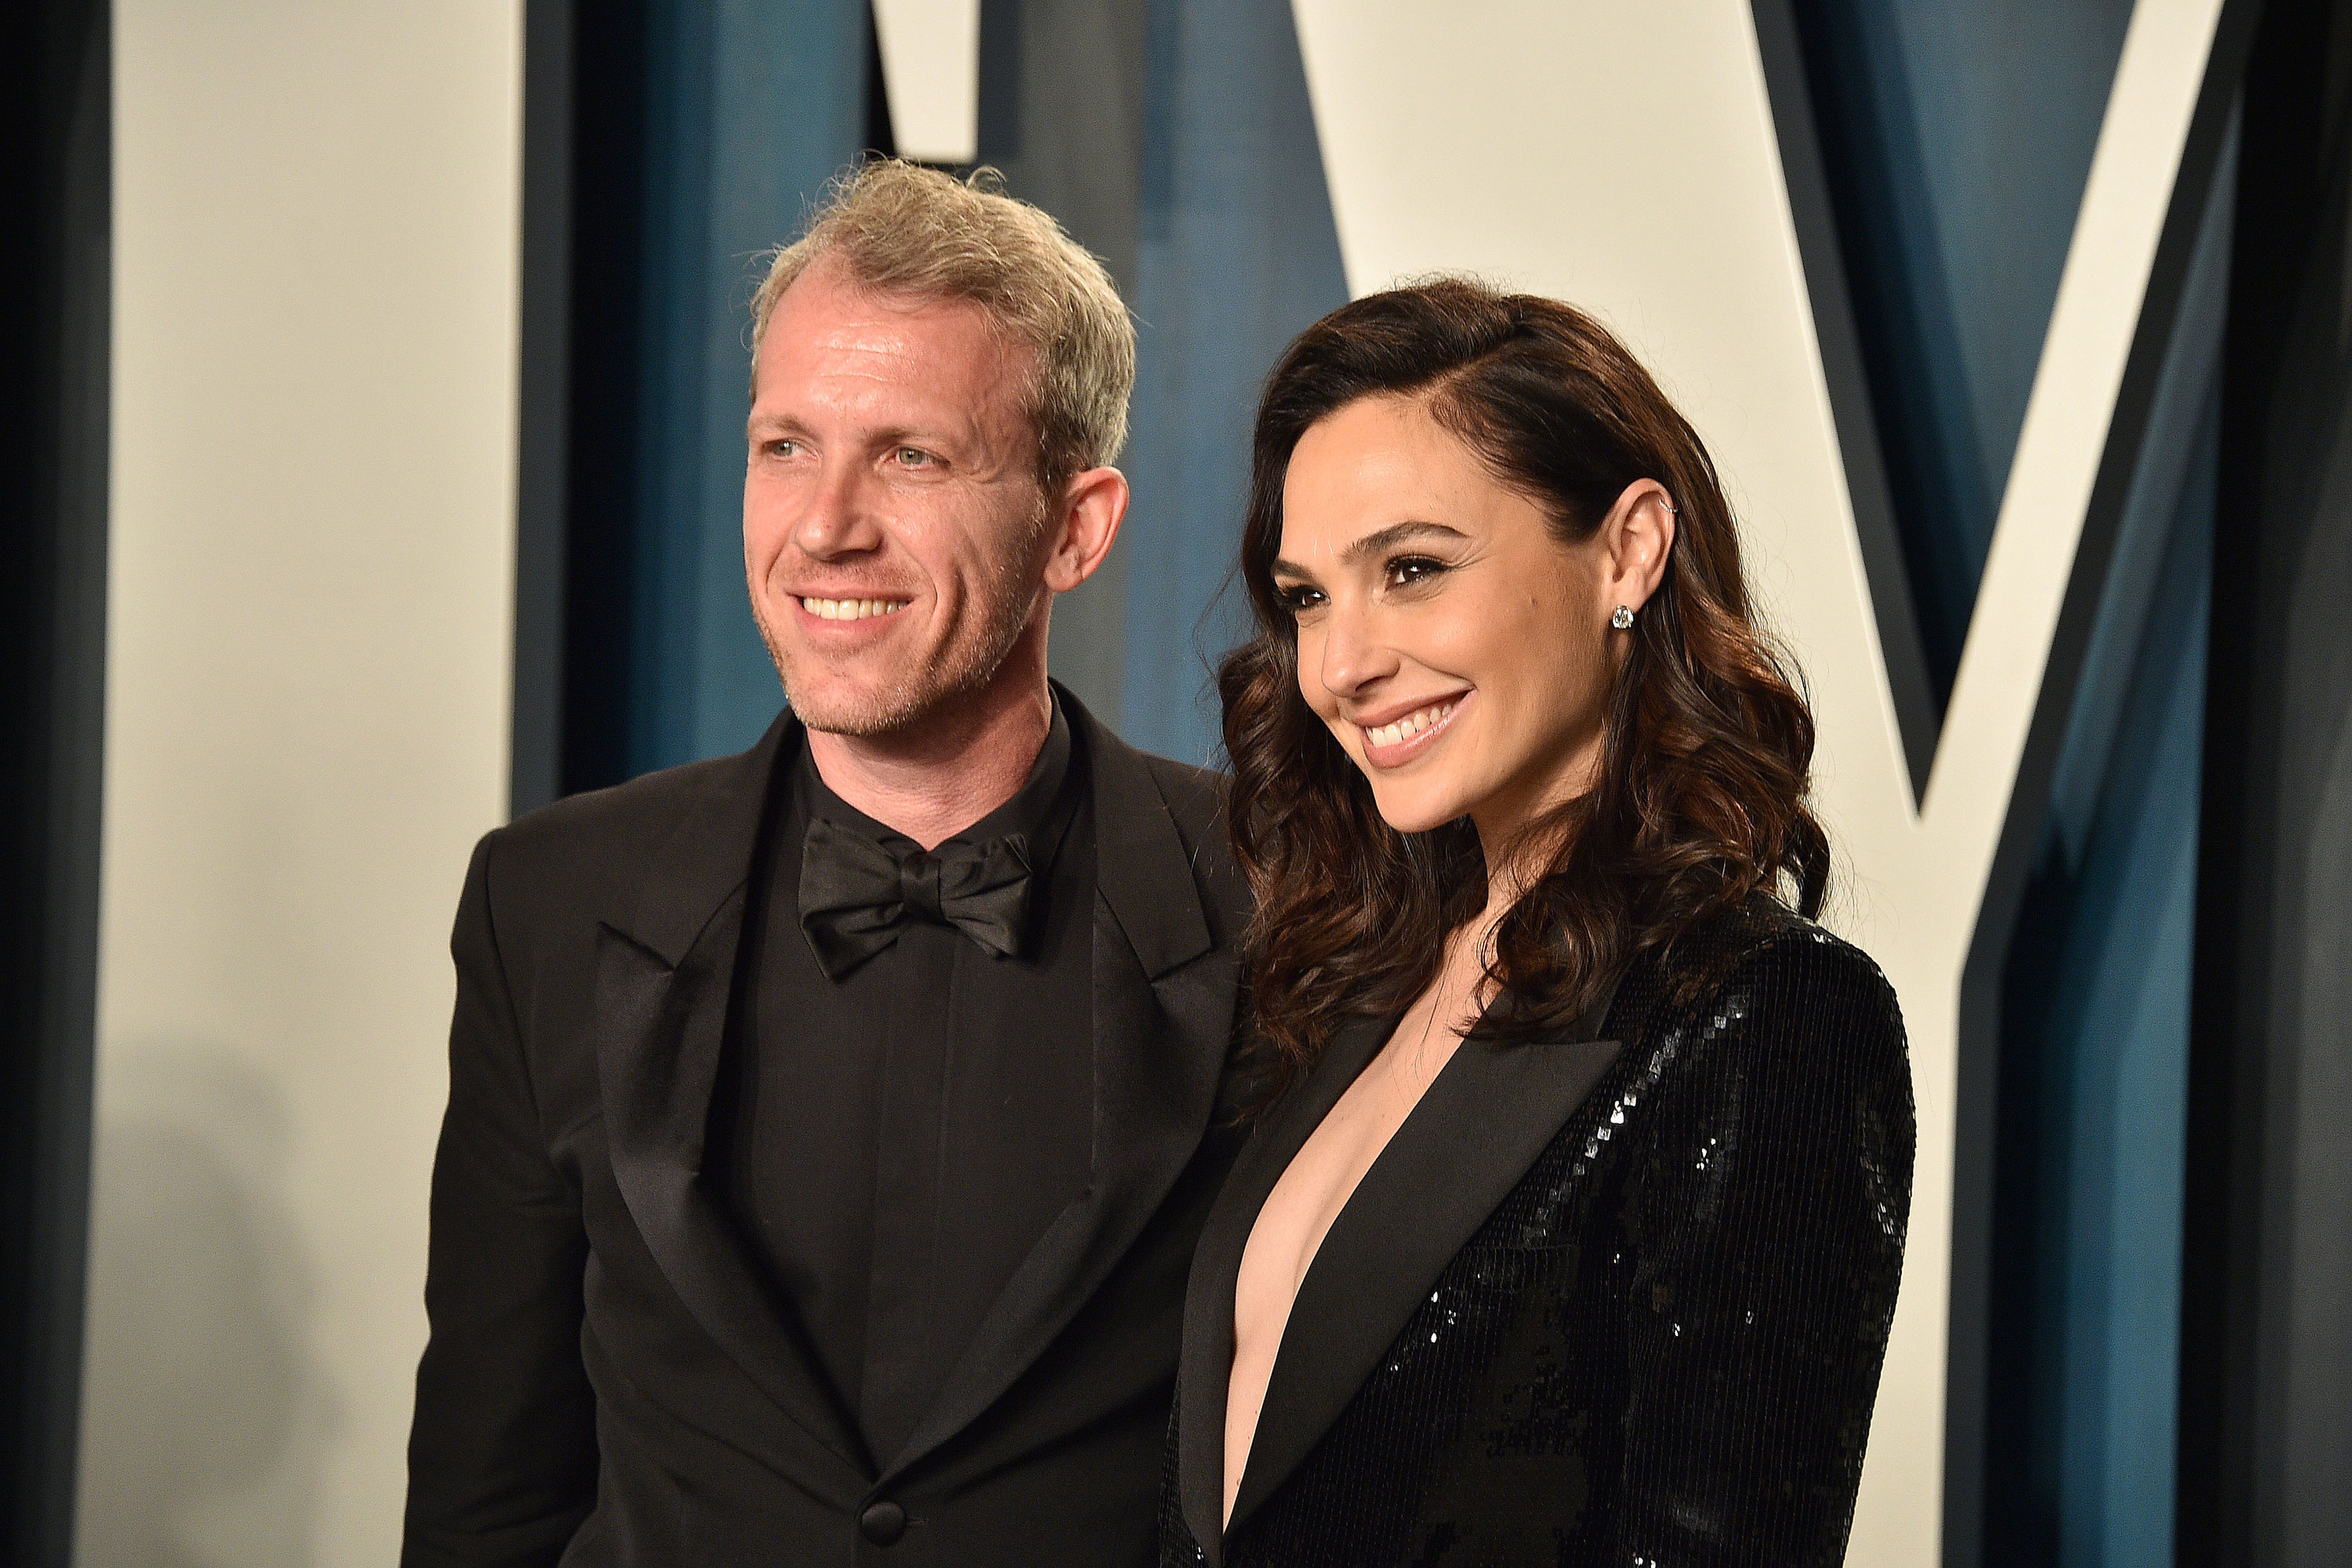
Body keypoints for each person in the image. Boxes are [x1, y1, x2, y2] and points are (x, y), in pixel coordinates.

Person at [402, 160, 1248, 1567]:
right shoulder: (548, 901)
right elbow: (489, 1492)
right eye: (785, 445)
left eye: (911, 454)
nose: (825, 526)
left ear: (1076, 526)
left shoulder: (1280, 901)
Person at [1163, 279, 1915, 1567]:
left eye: (1411, 570)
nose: (1342, 664)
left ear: (1627, 551)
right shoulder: (1358, 980)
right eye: (1308, 597)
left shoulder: (1767, 1016)